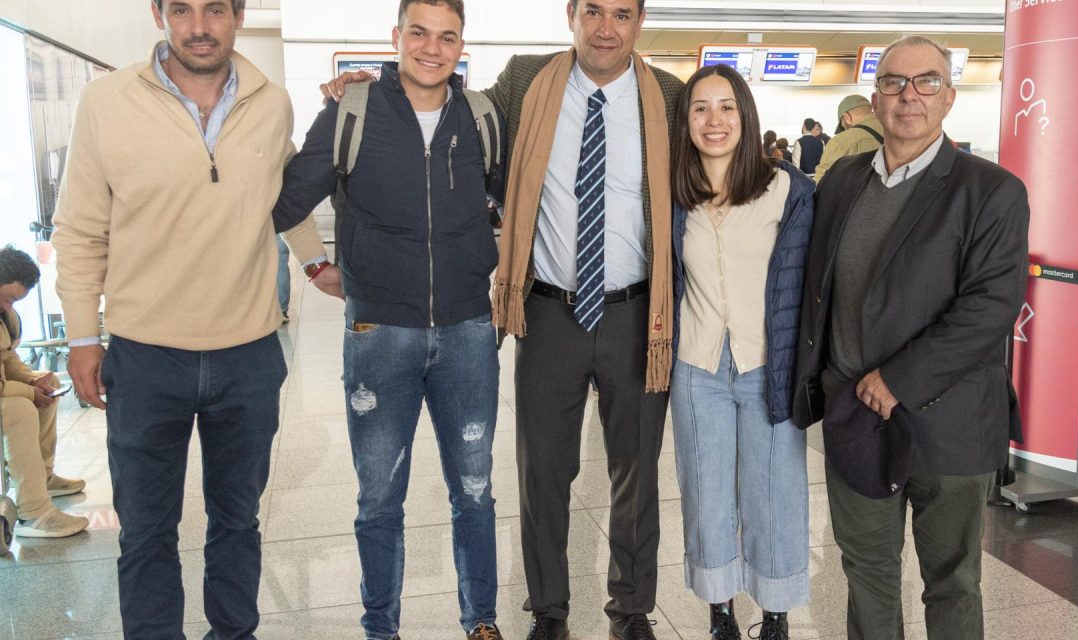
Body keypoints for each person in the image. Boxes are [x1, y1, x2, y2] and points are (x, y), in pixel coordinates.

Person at [325, 3, 682, 637]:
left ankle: (631, 611)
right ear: (570, 14)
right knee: (542, 471)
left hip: (636, 314)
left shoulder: (671, 98)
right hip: (547, 312)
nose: (606, 28)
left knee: (636, 471)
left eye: (621, 14)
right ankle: (548, 610)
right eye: (592, 11)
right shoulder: (524, 80)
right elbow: (443, 103)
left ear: (640, 20)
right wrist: (372, 86)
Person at [52, 1, 338, 638]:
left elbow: (281, 196)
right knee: (146, 529)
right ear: (159, 14)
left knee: (237, 522)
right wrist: (82, 336)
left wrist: (317, 263)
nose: (199, 27)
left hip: (248, 352)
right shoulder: (106, 102)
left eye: (215, 9)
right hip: (145, 355)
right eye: (181, 9)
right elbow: (80, 230)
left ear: (238, 14)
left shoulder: (270, 103)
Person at [274, 1, 505, 639]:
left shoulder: (481, 117)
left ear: (462, 45)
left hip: (466, 329)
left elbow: (518, 199)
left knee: (475, 489)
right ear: (395, 36)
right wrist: (315, 262)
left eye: (447, 36)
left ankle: (481, 620)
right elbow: (286, 199)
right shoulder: (351, 112)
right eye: (419, 33)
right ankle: (381, 627)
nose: (432, 48)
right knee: (379, 497)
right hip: (379, 334)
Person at [793, 36, 1029, 639]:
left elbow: (990, 308)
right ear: (874, 99)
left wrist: (897, 379)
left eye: (927, 81)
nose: (909, 95)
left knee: (952, 581)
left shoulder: (990, 191)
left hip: (950, 423)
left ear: (949, 97)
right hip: (855, 416)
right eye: (894, 82)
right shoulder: (842, 181)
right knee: (867, 572)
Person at [669, 64, 814, 640]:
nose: (715, 120)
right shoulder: (674, 193)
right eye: (700, 108)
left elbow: (809, 280)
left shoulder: (786, 189)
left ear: (746, 115)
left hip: (767, 365)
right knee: (706, 492)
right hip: (697, 365)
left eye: (727, 106)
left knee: (774, 491)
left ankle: (775, 614)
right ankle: (720, 612)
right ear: (686, 120)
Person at [0, 248, 88, 538]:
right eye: (9, 298)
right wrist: (28, 392)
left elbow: (5, 358)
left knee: (46, 385)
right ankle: (33, 513)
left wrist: (32, 381)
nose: (9, 306)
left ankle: (41, 478)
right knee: (20, 408)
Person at [812, 95, 883, 184]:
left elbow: (820, 182)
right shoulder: (895, 132)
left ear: (847, 117)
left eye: (843, 126)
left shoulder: (840, 141)